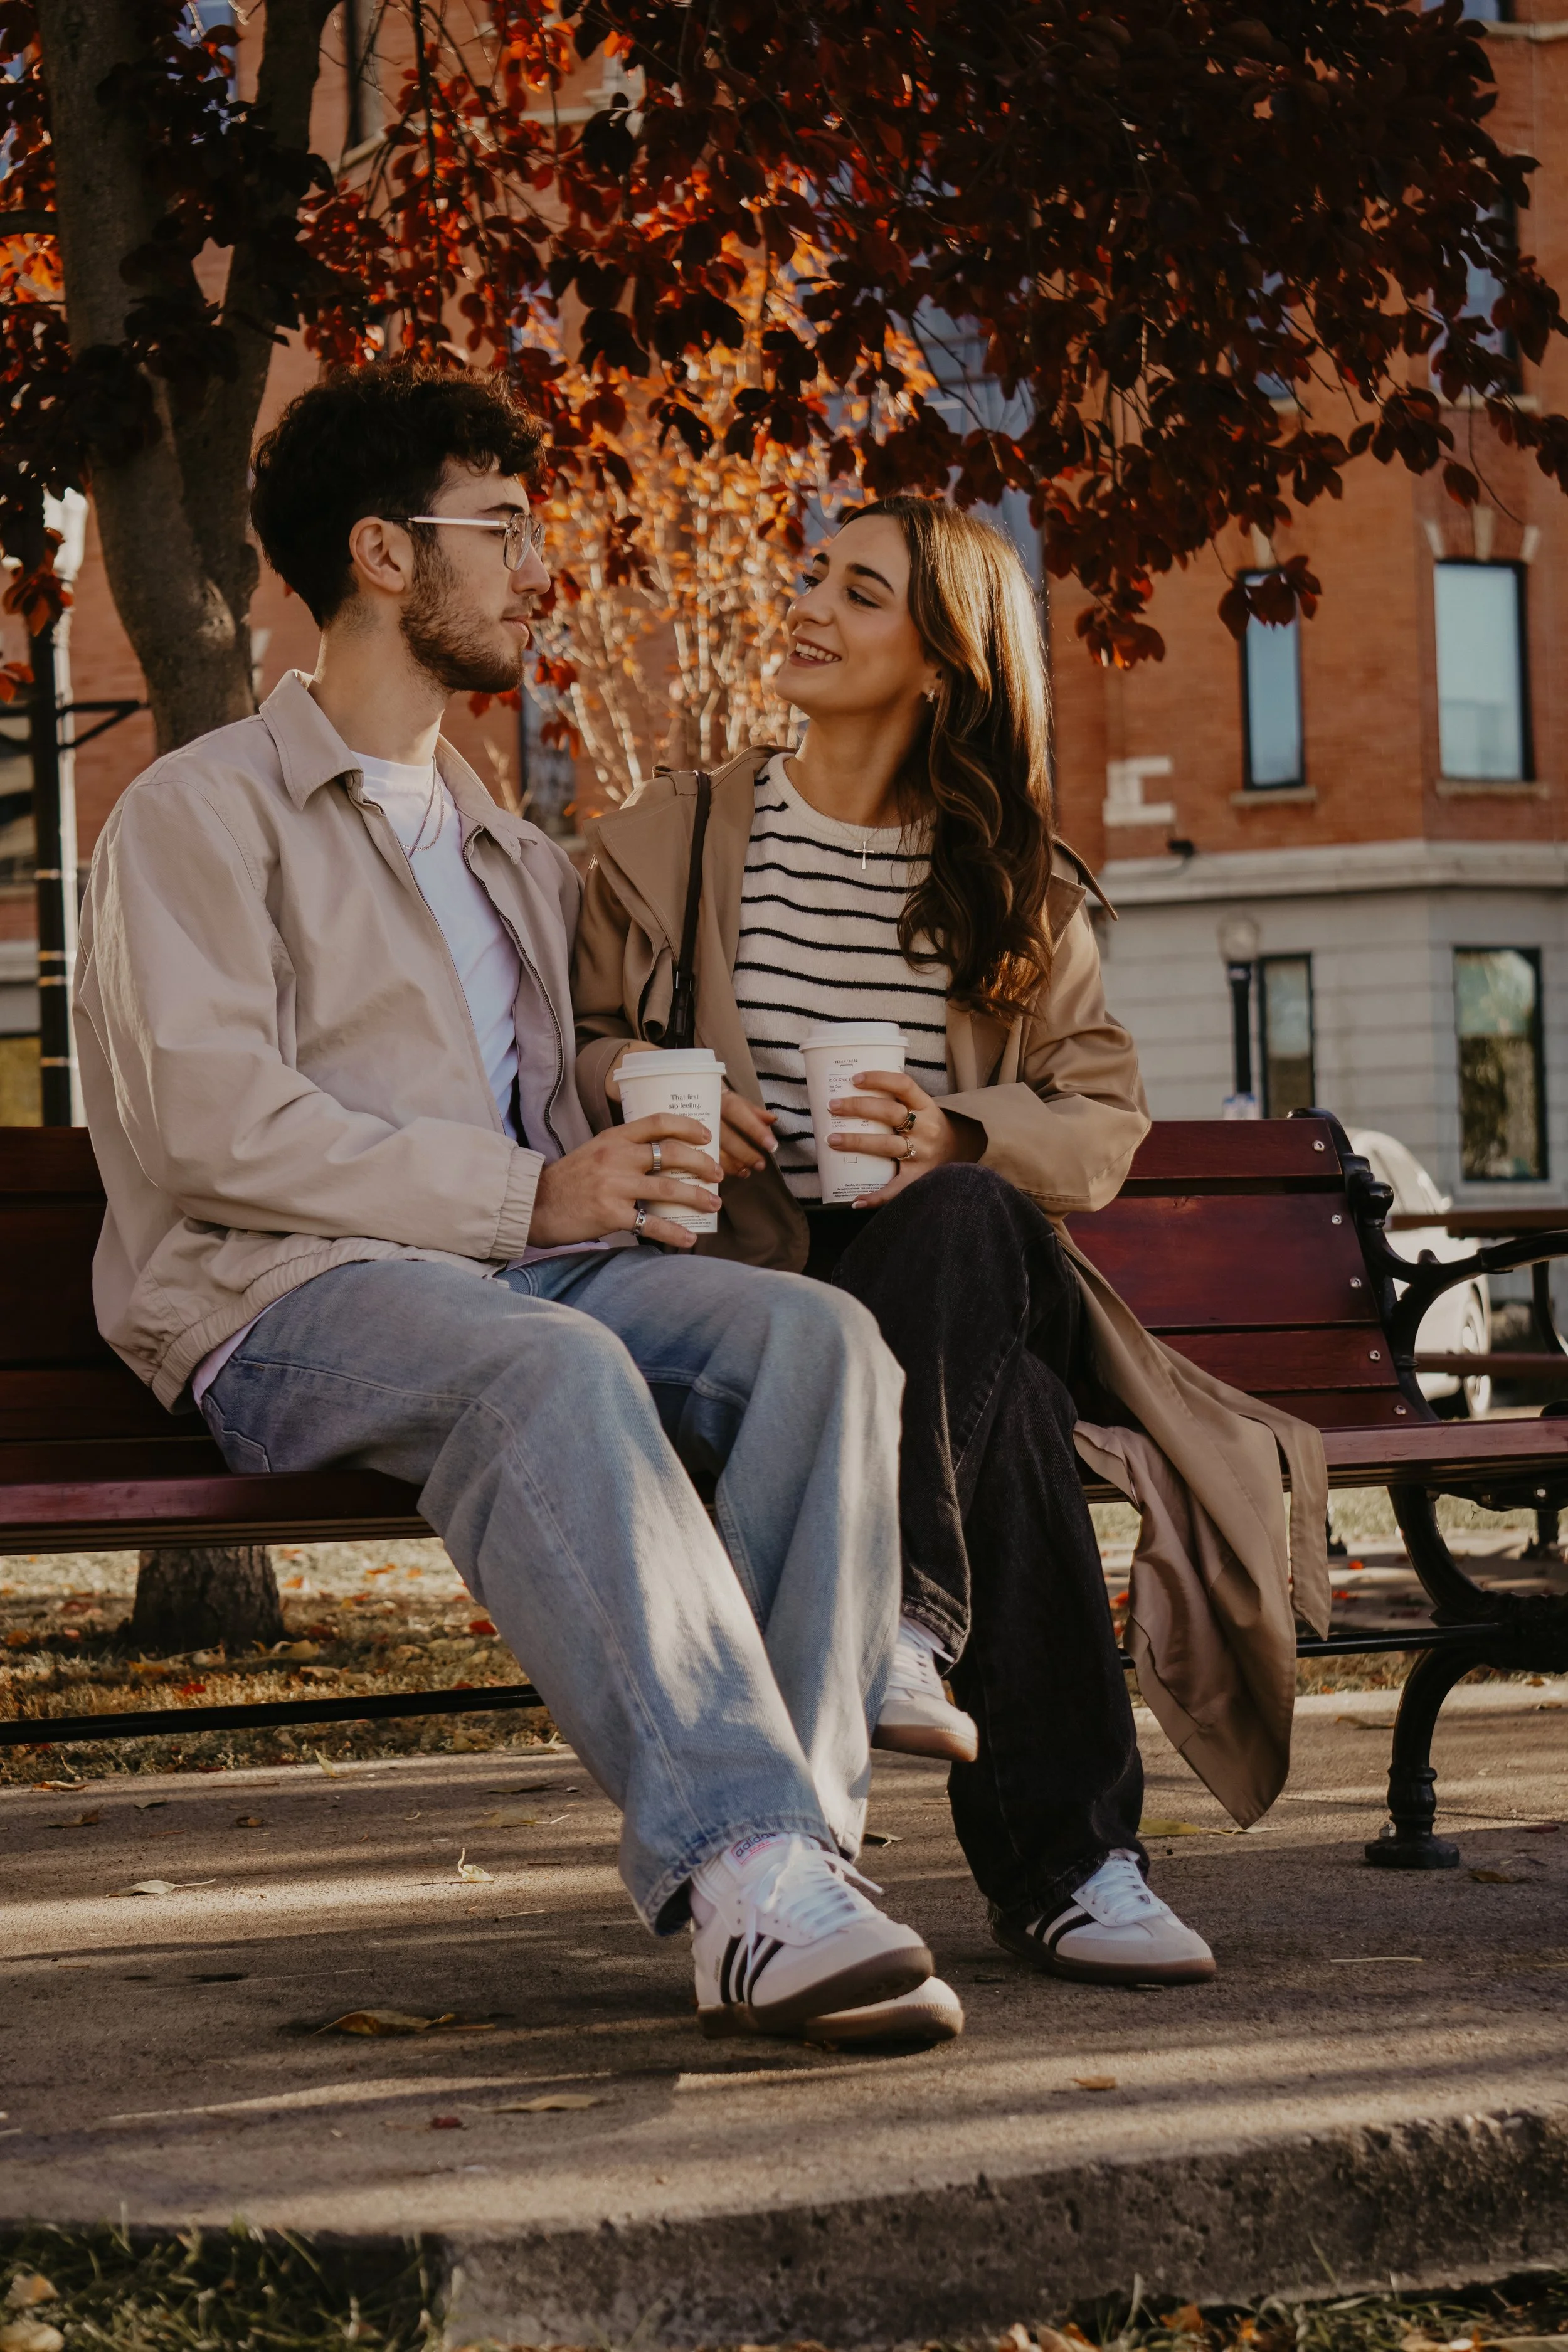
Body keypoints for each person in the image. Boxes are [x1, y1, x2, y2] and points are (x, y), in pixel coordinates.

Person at [73, 365, 960, 2047]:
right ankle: (751, 1875)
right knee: (544, 1371)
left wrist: (648, 1110)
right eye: (499, 525)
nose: (533, 561)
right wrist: (527, 1186)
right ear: (385, 556)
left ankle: (791, 1868)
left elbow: (547, 1108)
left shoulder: (507, 845)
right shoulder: (199, 813)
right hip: (284, 1296)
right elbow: (210, 1123)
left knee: (819, 1342)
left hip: (521, 1268)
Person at [575, 497, 1326, 1989]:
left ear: (938, 662)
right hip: (746, 1298)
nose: (808, 605)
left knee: (972, 1213)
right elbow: (581, 1033)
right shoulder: (674, 837)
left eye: (859, 593)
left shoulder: (1014, 889)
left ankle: (901, 1629)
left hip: (948, 1280)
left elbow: (1098, 1119)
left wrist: (958, 1133)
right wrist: (632, 1081)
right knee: (1025, 1419)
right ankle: (1066, 1863)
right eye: (810, 576)